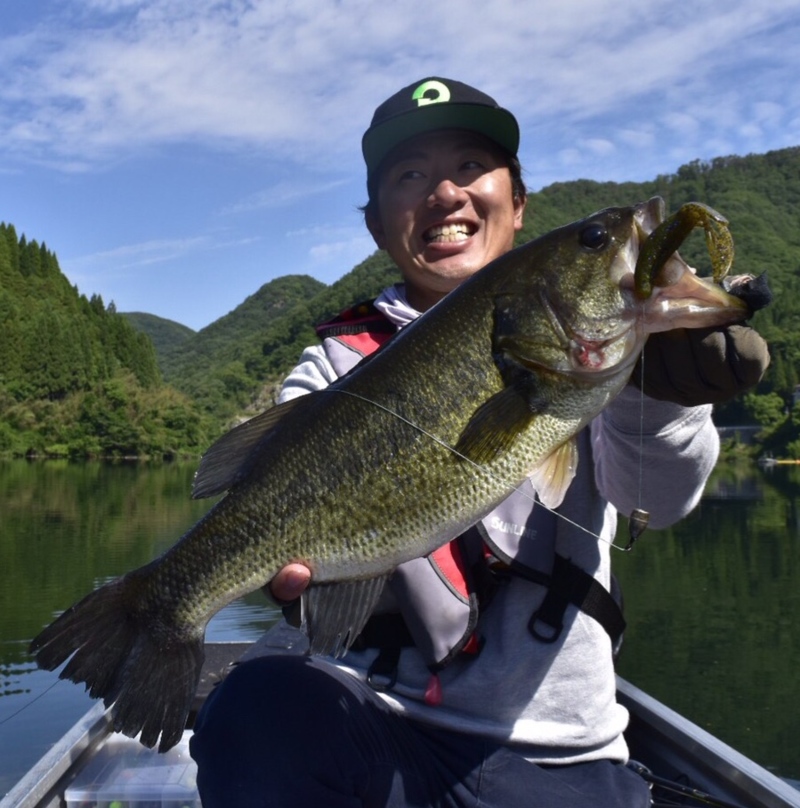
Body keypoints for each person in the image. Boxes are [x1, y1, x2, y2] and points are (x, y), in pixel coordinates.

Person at [190, 77, 769, 808]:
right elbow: (281, 499)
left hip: (561, 754)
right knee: (256, 714)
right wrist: (286, 572)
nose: (445, 193)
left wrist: (661, 401)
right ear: (376, 223)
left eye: (470, 166)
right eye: (410, 174)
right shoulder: (332, 365)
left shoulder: (599, 346)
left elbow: (656, 499)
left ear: (518, 204)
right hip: (378, 725)